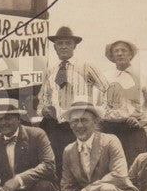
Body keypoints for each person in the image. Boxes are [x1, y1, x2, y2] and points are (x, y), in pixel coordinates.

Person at [38, 26, 109, 177]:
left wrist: (99, 113)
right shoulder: (51, 71)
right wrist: (44, 109)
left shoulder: (85, 67)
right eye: (60, 43)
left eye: (68, 43)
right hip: (57, 127)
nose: (63, 46)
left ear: (74, 46)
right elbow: (43, 99)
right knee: (58, 164)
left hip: (79, 124)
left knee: (82, 164)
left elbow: (108, 89)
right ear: (55, 47)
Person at [102, 39, 147, 168]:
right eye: (116, 51)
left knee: (134, 169)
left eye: (123, 50)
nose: (120, 53)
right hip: (109, 130)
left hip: (133, 131)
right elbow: (98, 104)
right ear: (112, 55)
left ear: (130, 54)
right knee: (111, 169)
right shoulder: (105, 78)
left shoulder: (143, 78)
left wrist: (142, 122)